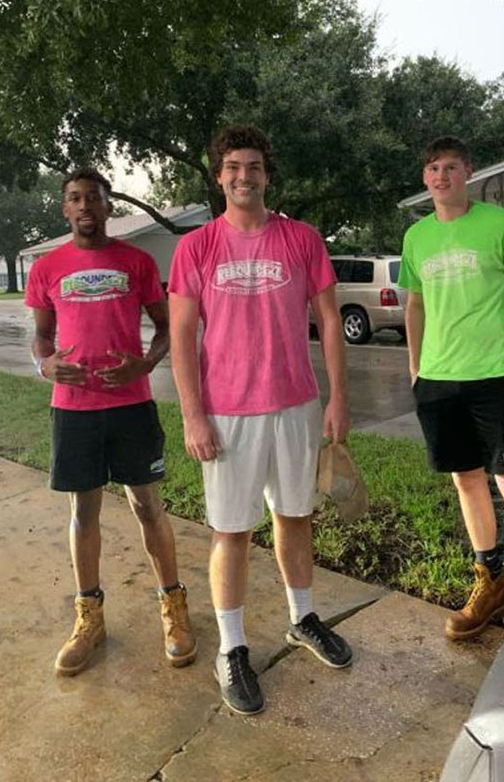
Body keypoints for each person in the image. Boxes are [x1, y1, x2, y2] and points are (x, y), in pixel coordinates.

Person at [167, 124, 352, 716]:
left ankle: (302, 619)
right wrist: (194, 416)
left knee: (295, 518)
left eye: (253, 166)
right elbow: (180, 337)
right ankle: (233, 647)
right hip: (227, 412)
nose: (243, 176)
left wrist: (337, 397)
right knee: (232, 532)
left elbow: (328, 320)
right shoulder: (195, 248)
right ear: (219, 176)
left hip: (295, 403)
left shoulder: (301, 239)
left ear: (267, 174)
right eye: (232, 167)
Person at [26, 167, 196, 676]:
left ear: (107, 207)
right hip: (74, 410)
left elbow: (166, 328)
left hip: (130, 406)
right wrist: (45, 364)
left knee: (148, 505)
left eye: (93, 199)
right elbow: (40, 337)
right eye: (75, 199)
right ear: (65, 209)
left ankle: (174, 607)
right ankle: (89, 617)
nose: (84, 207)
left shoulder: (138, 262)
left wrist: (146, 362)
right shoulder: (47, 268)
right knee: (84, 512)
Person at [399, 135, 504, 640]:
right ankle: (490, 580)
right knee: (466, 480)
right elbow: (415, 304)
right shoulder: (417, 237)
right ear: (425, 178)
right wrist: (415, 367)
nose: (441, 176)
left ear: (469, 171)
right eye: (433, 168)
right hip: (439, 382)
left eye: (450, 167)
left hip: (496, 379)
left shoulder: (501, 226)